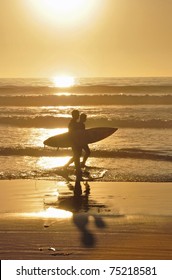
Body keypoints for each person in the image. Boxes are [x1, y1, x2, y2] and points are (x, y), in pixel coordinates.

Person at [66, 109, 82, 179]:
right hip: (74, 142)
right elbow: (71, 133)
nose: (78, 116)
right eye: (77, 114)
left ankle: (66, 166)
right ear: (74, 115)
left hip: (77, 141)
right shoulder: (72, 123)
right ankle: (78, 170)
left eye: (78, 114)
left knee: (77, 155)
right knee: (77, 155)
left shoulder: (75, 123)